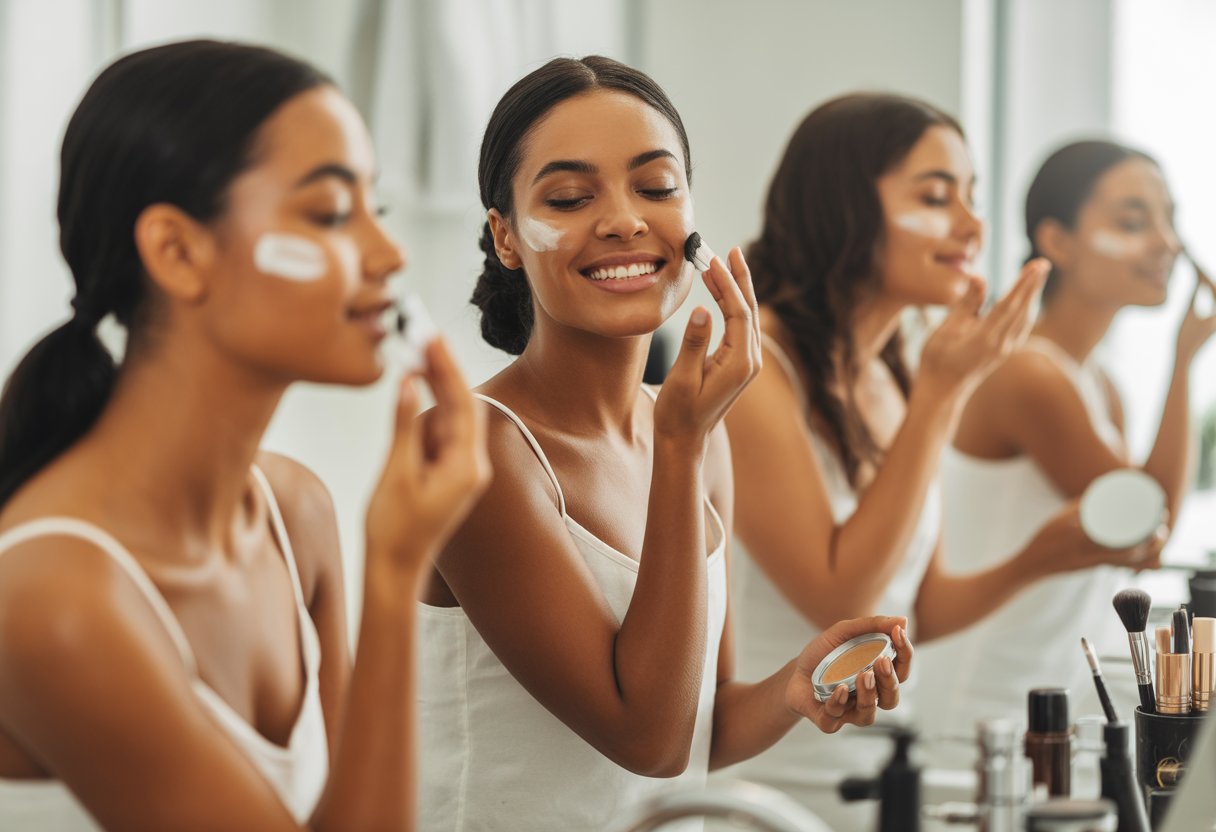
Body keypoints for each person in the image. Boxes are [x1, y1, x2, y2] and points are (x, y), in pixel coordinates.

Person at [0, 40, 488, 831]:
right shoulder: (57, 599)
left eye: (378, 210)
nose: (388, 253)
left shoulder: (296, 515)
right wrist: (396, 571)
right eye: (331, 213)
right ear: (178, 251)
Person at [416, 57, 912, 831]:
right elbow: (648, 738)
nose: (624, 220)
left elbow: (698, 732)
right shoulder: (478, 450)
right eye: (571, 198)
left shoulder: (691, 429)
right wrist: (679, 448)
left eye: (655, 187)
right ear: (506, 237)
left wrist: (794, 686)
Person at [718, 95, 1160, 828]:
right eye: (934, 195)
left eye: (971, 196)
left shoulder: (892, 377)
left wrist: (1039, 558)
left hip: (886, 764)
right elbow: (840, 608)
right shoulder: (757, 366)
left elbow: (915, 607)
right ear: (844, 206)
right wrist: (944, 393)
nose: (971, 225)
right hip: (780, 787)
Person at [915, 139, 1216, 758]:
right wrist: (1184, 360)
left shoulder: (1097, 383)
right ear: (1056, 240)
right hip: (984, 704)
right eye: (1134, 222)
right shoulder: (1031, 374)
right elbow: (1146, 530)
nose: (1167, 242)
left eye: (1170, 219)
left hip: (1049, 693)